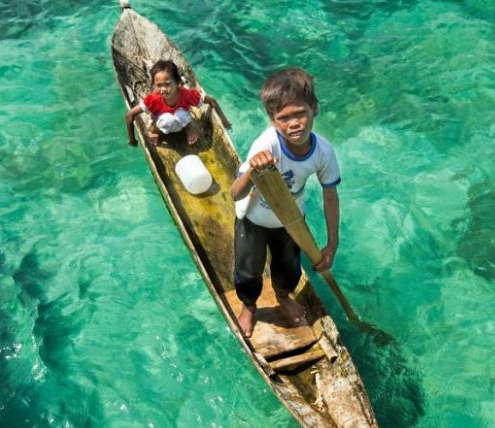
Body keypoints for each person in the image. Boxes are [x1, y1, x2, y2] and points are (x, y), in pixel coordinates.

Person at [230, 67, 341, 338]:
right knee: (248, 270)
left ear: (314, 109)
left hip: (290, 220)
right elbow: (235, 194)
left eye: (300, 113)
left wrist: (332, 243)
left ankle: (283, 296)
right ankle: (249, 306)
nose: (294, 123)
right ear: (273, 121)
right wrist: (253, 171)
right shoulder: (266, 145)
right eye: (284, 118)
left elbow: (330, 196)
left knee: (289, 269)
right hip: (254, 219)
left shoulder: (324, 151)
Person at [126, 60, 231, 147]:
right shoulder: (153, 99)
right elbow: (129, 115)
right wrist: (132, 140)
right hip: (161, 122)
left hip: (181, 120)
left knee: (180, 114)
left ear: (177, 83)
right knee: (168, 118)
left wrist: (224, 121)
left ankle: (188, 127)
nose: (163, 90)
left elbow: (212, 101)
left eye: (167, 84)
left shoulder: (186, 94)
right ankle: (154, 130)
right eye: (158, 85)